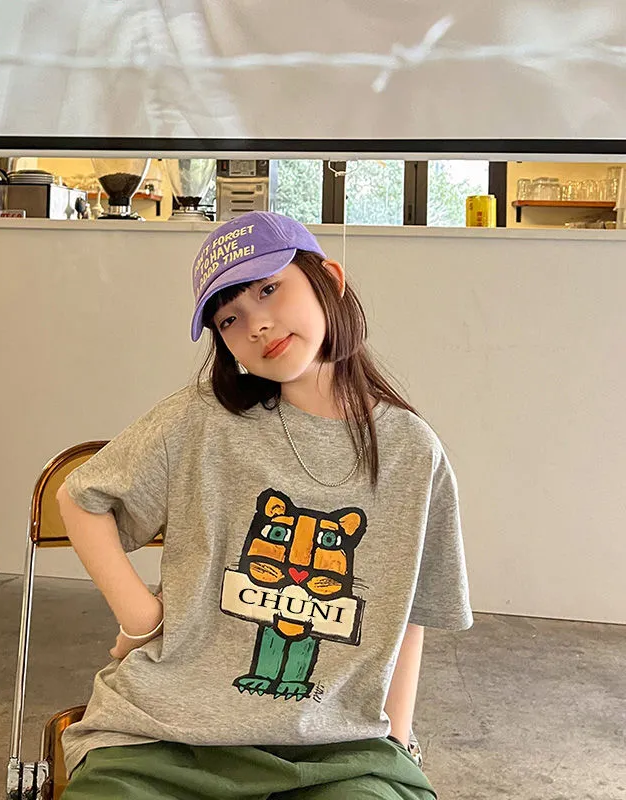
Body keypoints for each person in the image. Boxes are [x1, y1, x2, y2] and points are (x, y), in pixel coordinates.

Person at [56, 211, 473, 799]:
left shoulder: (412, 452)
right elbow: (79, 498)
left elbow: (410, 615)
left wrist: (396, 745)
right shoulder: (202, 420)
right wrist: (142, 619)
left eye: (269, 289)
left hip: (339, 751)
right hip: (163, 739)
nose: (256, 325)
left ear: (330, 278)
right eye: (229, 318)